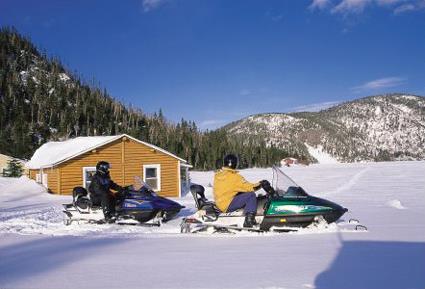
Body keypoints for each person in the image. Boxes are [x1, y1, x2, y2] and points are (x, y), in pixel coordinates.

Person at [213, 154, 267, 228]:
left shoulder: (219, 174)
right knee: (250, 195)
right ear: (234, 164)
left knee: (244, 193)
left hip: (220, 202)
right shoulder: (235, 177)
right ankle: (249, 220)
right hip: (227, 204)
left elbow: (230, 188)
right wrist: (261, 184)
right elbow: (250, 187)